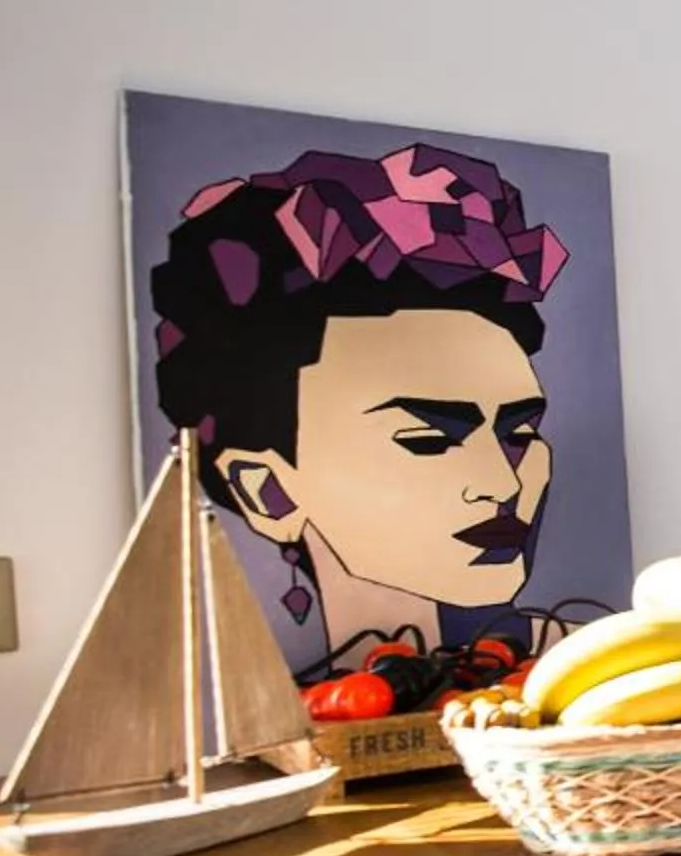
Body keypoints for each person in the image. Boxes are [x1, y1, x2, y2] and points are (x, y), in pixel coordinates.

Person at [150, 143, 577, 675]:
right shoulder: (250, 706)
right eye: (427, 439)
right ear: (269, 491)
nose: (504, 484)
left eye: (518, 433)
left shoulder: (614, 664)